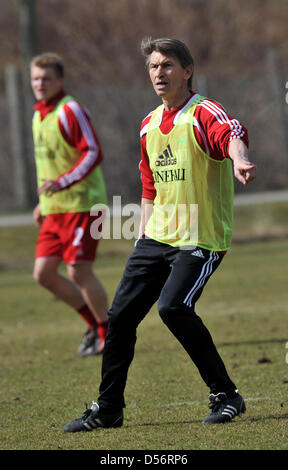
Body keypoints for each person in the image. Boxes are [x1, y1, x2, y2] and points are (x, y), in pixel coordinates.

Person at [64, 37, 257, 431]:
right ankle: (109, 408)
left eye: (167, 65)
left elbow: (231, 131)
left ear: (187, 71)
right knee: (119, 317)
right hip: (157, 237)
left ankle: (226, 395)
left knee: (173, 307)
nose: (159, 73)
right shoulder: (149, 124)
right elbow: (149, 188)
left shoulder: (202, 112)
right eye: (153, 66)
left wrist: (240, 158)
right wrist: (142, 238)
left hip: (200, 237)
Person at [30, 52, 108, 356]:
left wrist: (62, 183)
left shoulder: (69, 110)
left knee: (78, 271)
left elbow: (93, 152)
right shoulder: (39, 115)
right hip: (54, 208)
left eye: (46, 78)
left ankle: (108, 333)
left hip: (83, 204)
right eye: (36, 78)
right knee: (44, 274)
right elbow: (48, 165)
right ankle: (94, 324)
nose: (40, 83)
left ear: (59, 81)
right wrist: (42, 201)